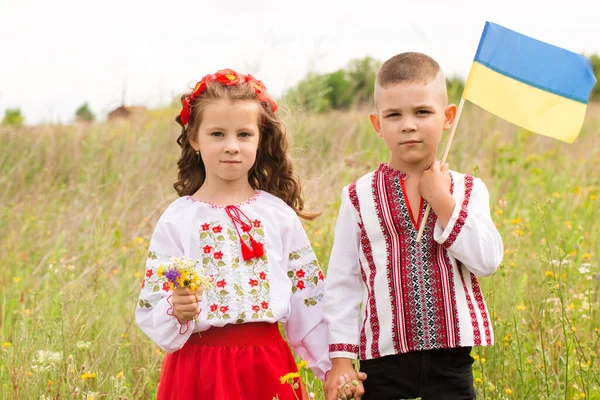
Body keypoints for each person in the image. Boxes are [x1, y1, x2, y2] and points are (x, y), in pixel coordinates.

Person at [136, 69, 331, 400]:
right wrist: (177, 308)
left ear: (260, 138)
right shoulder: (178, 219)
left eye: (243, 134)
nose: (231, 146)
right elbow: (152, 303)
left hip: (266, 367)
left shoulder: (278, 215)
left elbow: (308, 300)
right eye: (217, 134)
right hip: (198, 370)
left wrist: (331, 371)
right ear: (194, 139)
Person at [323, 52, 504, 400]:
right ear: (377, 124)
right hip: (382, 364)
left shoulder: (467, 190)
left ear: (448, 117)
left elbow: (488, 260)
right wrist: (341, 360)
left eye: (422, 112)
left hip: (451, 362)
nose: (408, 124)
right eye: (394, 115)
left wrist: (442, 201)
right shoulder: (358, 196)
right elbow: (342, 284)